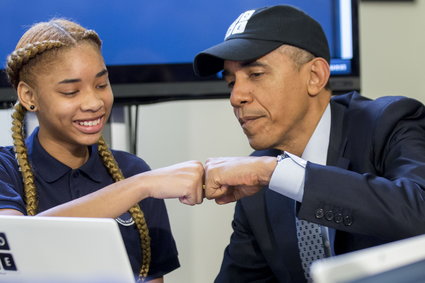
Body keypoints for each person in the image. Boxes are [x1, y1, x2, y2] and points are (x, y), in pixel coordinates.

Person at [193, 5, 425, 283]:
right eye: (231, 83)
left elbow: (418, 212)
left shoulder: (388, 122)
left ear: (315, 76)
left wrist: (276, 173)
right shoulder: (257, 189)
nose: (236, 97)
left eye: (255, 74)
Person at [0, 18, 205, 282]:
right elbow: (19, 240)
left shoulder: (133, 170)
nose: (94, 102)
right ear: (29, 96)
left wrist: (141, 182)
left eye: (101, 84)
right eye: (71, 92)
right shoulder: (6, 171)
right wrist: (140, 186)